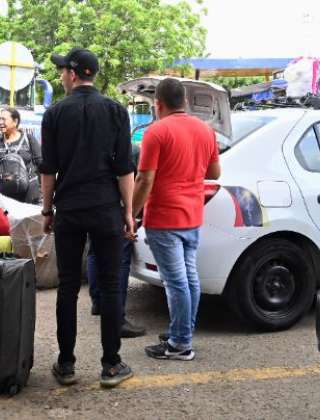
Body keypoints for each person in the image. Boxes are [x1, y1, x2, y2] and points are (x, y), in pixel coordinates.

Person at [40, 47, 135, 388]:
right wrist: (129, 213)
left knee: (67, 286)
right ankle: (111, 365)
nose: (60, 75)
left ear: (74, 73)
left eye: (63, 70)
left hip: (69, 209)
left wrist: (47, 210)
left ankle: (66, 365)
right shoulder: (115, 111)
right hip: (106, 208)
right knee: (111, 286)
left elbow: (48, 171)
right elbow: (125, 169)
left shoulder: (54, 114)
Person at [132, 78, 221, 361]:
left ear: (158, 104)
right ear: (184, 101)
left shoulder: (156, 132)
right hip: (193, 216)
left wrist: (130, 214)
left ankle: (180, 343)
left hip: (164, 217)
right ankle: (182, 331)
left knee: (175, 282)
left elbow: (144, 179)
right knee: (188, 278)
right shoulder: (206, 131)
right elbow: (215, 173)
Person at [86, 142, 145, 338]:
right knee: (120, 261)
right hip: (117, 209)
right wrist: (130, 212)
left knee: (95, 252)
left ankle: (98, 302)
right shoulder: (130, 150)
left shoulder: (92, 146)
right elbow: (136, 180)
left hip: (94, 206)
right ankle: (117, 317)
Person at [0, 108, 42, 203]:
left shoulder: (29, 139)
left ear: (15, 121)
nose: (0, 122)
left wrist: (43, 191)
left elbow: (41, 164)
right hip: (6, 194)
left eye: (4, 119)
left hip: (29, 193)